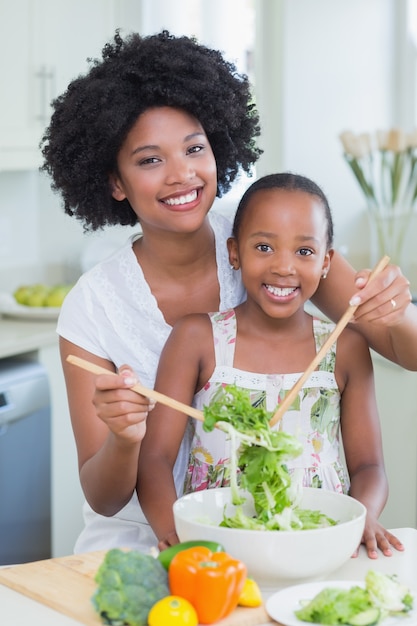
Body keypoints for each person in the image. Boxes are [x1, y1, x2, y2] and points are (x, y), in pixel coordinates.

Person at [40, 30, 416, 555]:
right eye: (150, 160)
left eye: (195, 148)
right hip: (141, 542)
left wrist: (397, 311)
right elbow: (103, 498)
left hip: (266, 537)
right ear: (115, 182)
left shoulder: (271, 247)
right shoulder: (91, 307)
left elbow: (407, 352)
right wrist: (125, 438)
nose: (181, 174)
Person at [137, 172, 403, 560]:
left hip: (319, 543)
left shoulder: (345, 346)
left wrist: (364, 517)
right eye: (264, 247)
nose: (284, 267)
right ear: (234, 252)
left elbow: (369, 466)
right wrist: (173, 531)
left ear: (327, 262)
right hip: (219, 542)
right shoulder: (196, 338)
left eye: (305, 252)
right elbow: (155, 459)